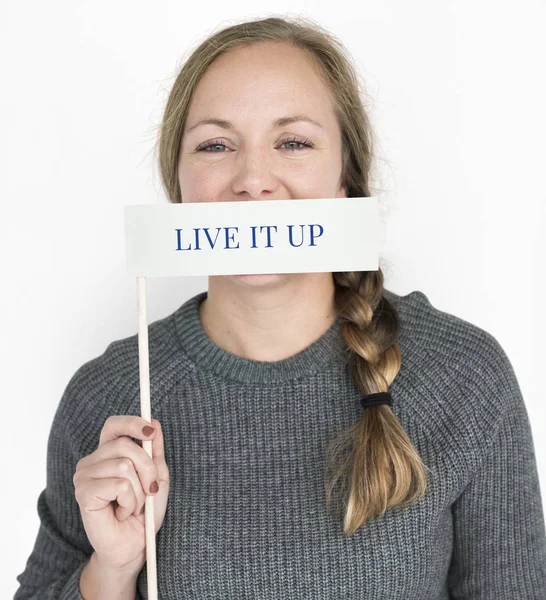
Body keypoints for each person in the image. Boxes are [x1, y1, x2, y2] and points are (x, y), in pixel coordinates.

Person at [14, 15, 546, 600]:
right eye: (216, 145)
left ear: (345, 178)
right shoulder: (109, 398)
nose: (253, 179)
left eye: (292, 142)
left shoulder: (463, 376)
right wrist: (111, 570)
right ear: (179, 184)